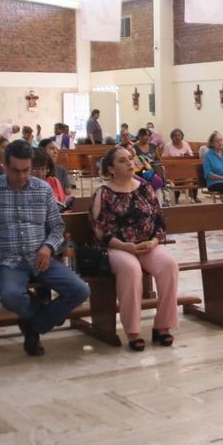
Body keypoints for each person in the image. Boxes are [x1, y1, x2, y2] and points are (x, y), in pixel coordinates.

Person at [0, 141, 89, 357]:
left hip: (40, 257)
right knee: (12, 296)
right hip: (7, 261)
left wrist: (48, 247)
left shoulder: (42, 189)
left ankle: (34, 324)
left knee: (80, 290)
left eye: (26, 170)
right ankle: (41, 317)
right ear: (4, 165)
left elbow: (57, 226)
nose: (21, 176)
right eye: (15, 171)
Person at [90, 147, 179, 352]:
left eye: (130, 159)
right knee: (131, 269)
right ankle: (133, 331)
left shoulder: (145, 188)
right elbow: (99, 230)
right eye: (123, 161)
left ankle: (162, 326)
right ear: (111, 169)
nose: (130, 163)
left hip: (146, 245)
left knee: (169, 265)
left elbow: (160, 223)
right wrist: (124, 246)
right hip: (117, 248)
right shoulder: (103, 193)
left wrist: (154, 242)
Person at [131, 127, 168, 200]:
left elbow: (158, 159)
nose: (148, 137)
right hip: (141, 171)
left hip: (153, 170)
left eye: (149, 135)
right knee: (156, 181)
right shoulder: (134, 147)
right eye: (146, 135)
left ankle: (158, 203)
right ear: (140, 136)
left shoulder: (152, 146)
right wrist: (144, 162)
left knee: (158, 181)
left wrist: (154, 164)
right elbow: (134, 161)